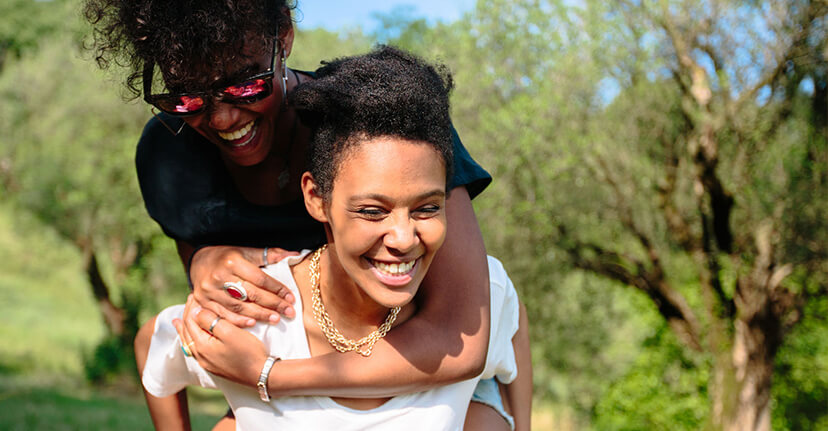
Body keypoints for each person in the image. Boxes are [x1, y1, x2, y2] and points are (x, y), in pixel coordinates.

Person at [83, 0, 531, 430]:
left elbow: (460, 340)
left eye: (243, 84)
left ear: (284, 34)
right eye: (187, 97)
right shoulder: (172, 154)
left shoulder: (381, 128)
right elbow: (210, 320)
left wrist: (273, 377)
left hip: (438, 380)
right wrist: (204, 262)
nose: (220, 118)